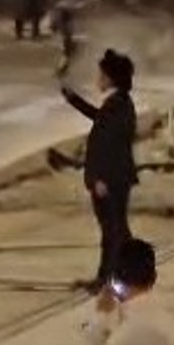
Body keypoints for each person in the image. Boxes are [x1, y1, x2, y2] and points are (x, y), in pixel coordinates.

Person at [62, 49, 137, 289]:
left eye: (101, 75)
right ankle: (111, 277)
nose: (98, 79)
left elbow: (109, 145)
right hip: (116, 177)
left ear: (110, 78)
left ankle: (116, 278)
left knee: (114, 231)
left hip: (110, 179)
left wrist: (99, 178)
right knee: (114, 231)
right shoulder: (119, 103)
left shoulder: (117, 105)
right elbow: (100, 118)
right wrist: (72, 98)